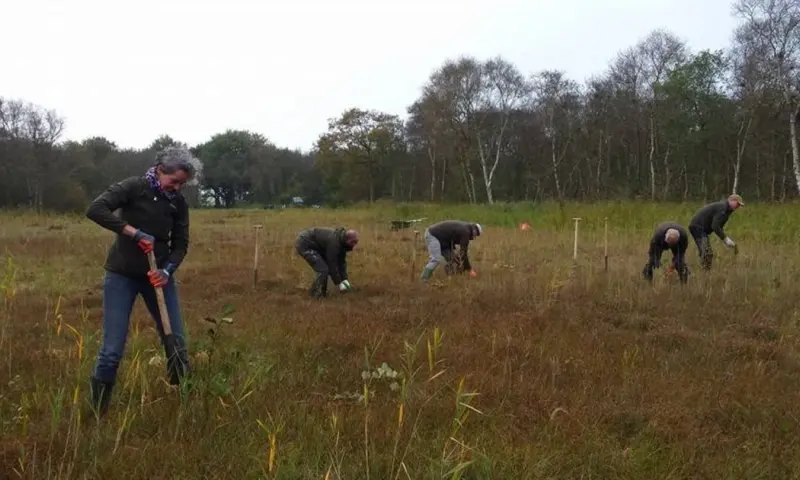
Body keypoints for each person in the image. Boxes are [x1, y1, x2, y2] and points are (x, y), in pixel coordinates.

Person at [84, 146, 201, 416]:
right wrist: (133, 233)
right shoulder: (133, 188)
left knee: (176, 342)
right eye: (174, 181)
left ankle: (185, 405)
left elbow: (181, 244)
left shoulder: (178, 202)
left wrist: (167, 271)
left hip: (157, 277)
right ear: (160, 170)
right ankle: (97, 413)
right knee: (112, 349)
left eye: (182, 184)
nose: (177, 188)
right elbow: (96, 209)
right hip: (121, 275)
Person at [295, 227, 359, 298]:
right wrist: (338, 283)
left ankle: (323, 293)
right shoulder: (334, 244)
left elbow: (341, 263)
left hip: (315, 245)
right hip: (304, 244)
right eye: (352, 242)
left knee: (325, 268)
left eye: (355, 242)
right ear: (347, 239)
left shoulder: (342, 243)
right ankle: (314, 293)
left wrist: (345, 280)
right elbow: (332, 264)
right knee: (323, 270)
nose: (354, 245)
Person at [688, 194, 744, 270]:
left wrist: (725, 239)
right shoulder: (723, 208)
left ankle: (704, 270)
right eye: (737, 203)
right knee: (707, 252)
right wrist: (726, 239)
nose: (738, 206)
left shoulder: (727, 210)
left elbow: (719, 227)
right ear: (731, 200)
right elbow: (715, 226)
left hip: (701, 229)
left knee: (706, 251)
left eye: (739, 205)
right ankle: (705, 273)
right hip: (698, 228)